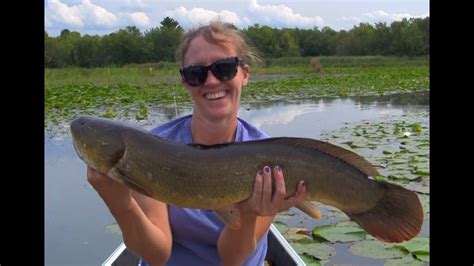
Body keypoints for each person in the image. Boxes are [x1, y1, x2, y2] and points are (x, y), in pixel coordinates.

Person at [87, 20, 307, 266]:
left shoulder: (270, 158)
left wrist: (248, 213)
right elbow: (157, 254)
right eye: (196, 74)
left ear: (244, 74)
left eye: (224, 68)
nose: (211, 81)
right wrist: (120, 203)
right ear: (186, 83)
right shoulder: (152, 149)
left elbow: (232, 259)